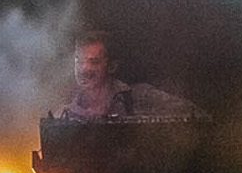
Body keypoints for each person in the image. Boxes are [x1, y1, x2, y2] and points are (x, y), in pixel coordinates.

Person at [53, 31, 200, 123]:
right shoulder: (64, 116)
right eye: (79, 61)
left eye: (94, 62)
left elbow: (196, 115)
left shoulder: (141, 97)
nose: (84, 69)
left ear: (112, 66)